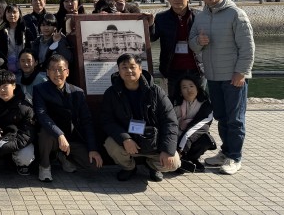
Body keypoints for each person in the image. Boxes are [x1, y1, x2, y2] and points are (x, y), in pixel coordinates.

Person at [189, 0, 254, 175]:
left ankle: (235, 157)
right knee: (222, 117)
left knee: (235, 119)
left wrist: (241, 72)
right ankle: (225, 153)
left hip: (233, 75)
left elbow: (248, 47)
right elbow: (192, 43)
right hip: (213, 76)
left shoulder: (236, 14)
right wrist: (199, 41)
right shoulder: (200, 16)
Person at [101, 54, 180, 182]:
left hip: (153, 139)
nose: (129, 71)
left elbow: (170, 121)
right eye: (124, 67)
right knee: (111, 144)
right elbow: (107, 121)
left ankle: (153, 166)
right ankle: (129, 168)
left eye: (132, 67)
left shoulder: (156, 91)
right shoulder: (111, 93)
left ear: (140, 68)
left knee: (173, 163)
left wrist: (167, 150)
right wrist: (125, 138)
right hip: (129, 138)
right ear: (118, 70)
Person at [33, 55, 102, 183]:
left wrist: (93, 148)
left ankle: (63, 156)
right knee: (45, 133)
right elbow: (42, 115)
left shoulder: (78, 92)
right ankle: (45, 166)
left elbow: (87, 121)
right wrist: (59, 134)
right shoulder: (40, 90)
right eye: (53, 69)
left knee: (94, 166)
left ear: (67, 72)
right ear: (47, 72)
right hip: (51, 136)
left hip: (71, 138)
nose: (57, 73)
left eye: (60, 69)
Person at [149, 0, 202, 99]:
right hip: (172, 68)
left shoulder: (199, 16)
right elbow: (152, 38)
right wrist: (150, 25)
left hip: (197, 68)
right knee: (174, 103)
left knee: (198, 104)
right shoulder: (161, 17)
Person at [172, 74, 216, 174]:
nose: (189, 90)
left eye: (191, 86)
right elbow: (170, 124)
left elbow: (195, 129)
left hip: (191, 137)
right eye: (184, 87)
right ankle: (181, 161)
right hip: (176, 136)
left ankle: (188, 158)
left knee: (206, 140)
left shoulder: (206, 105)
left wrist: (181, 150)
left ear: (197, 87)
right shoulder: (174, 103)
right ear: (180, 91)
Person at [0, 4, 27, 72]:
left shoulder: (25, 30)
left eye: (14, 12)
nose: (12, 15)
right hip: (6, 65)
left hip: (23, 65)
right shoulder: (0, 31)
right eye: (9, 12)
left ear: (19, 14)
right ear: (5, 14)